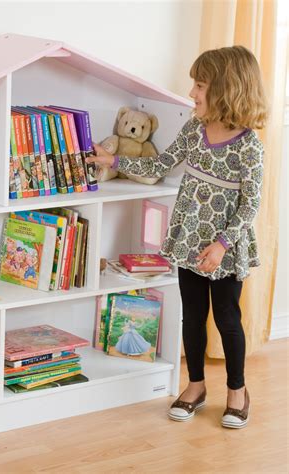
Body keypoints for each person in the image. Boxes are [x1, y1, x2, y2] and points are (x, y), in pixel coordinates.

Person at [86, 45, 267, 429]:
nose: (191, 94)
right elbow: (160, 164)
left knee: (227, 319)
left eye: (199, 85)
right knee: (193, 316)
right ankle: (196, 386)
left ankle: (237, 391)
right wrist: (112, 160)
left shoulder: (249, 145)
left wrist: (221, 244)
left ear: (226, 88)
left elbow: (251, 204)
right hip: (188, 239)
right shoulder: (194, 128)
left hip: (223, 247)